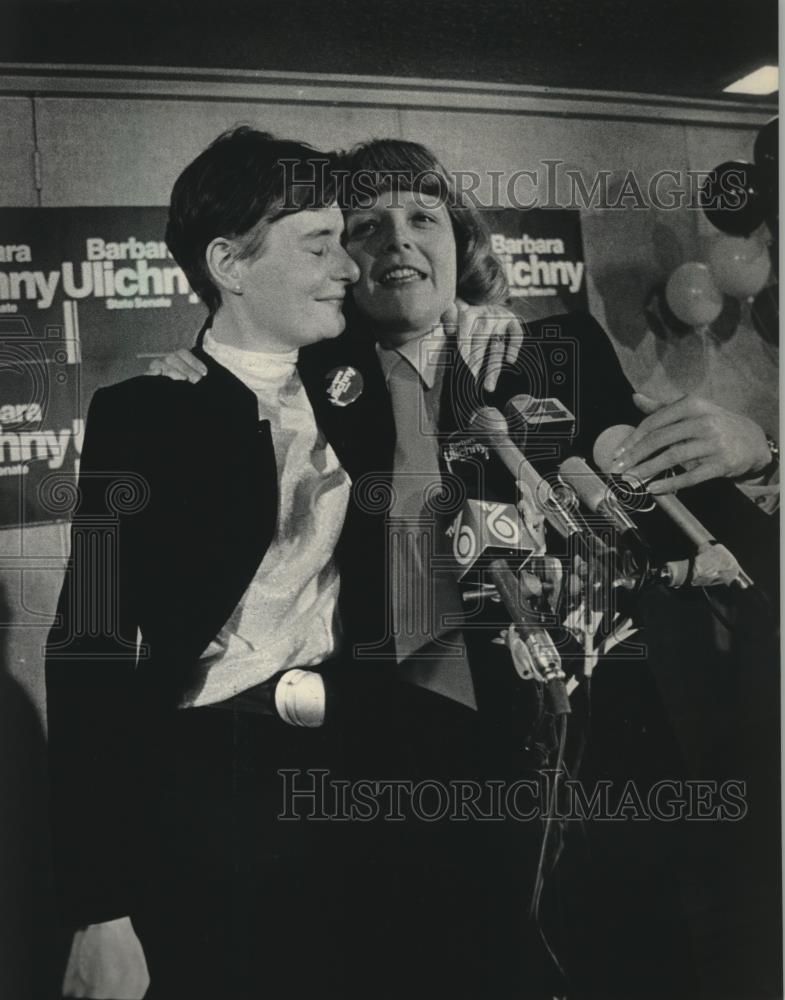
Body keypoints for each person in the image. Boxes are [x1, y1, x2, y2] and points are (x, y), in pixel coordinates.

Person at [151, 136, 779, 998]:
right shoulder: (313, 380)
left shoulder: (550, 346)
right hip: (407, 769)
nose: (398, 241)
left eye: (423, 217)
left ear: (462, 241)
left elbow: (670, 503)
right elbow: (237, 342)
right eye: (365, 227)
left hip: (584, 753)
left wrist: (757, 456)